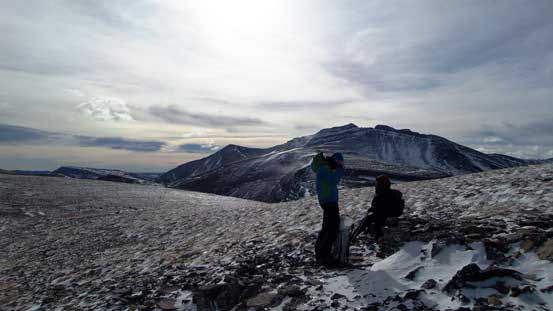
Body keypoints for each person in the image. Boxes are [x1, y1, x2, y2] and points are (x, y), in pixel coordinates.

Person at [311, 152, 344, 266]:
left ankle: (320, 254)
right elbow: (333, 181)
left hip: (327, 201)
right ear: (335, 161)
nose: (340, 164)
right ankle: (324, 256)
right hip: (329, 202)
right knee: (333, 229)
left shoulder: (324, 168)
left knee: (327, 228)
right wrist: (340, 170)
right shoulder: (325, 169)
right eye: (340, 162)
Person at [350, 175, 404, 243]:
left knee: (368, 219)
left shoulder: (382, 194)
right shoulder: (391, 193)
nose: (376, 185)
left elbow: (378, 208)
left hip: (385, 214)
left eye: (378, 184)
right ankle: (374, 237)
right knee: (372, 218)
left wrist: (372, 211)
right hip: (392, 213)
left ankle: (354, 237)